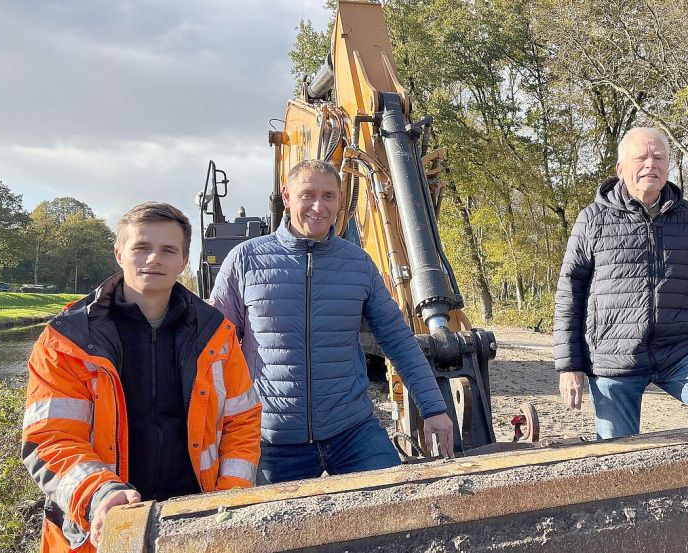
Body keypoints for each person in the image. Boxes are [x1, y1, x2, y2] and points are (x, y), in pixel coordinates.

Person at [23, 202, 261, 552]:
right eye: (142, 247)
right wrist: (100, 493)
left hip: (197, 524)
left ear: (184, 261)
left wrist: (229, 499)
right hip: (99, 527)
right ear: (119, 253)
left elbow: (241, 421)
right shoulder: (67, 340)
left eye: (168, 250)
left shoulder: (216, 334)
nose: (154, 259)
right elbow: (50, 437)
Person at [210, 159, 454, 484]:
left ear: (340, 201)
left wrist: (433, 407)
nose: (318, 206)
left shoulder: (358, 264)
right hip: (274, 439)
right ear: (287, 196)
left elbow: (397, 338)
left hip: (352, 432)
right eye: (307, 195)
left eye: (328, 196)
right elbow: (215, 349)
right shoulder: (245, 260)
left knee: (394, 498)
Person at [554, 127, 688, 439]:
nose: (650, 165)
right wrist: (569, 366)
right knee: (617, 454)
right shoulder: (592, 220)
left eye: (658, 158)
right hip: (615, 357)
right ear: (620, 168)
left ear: (668, 166)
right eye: (641, 158)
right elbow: (569, 294)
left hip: (682, 351)